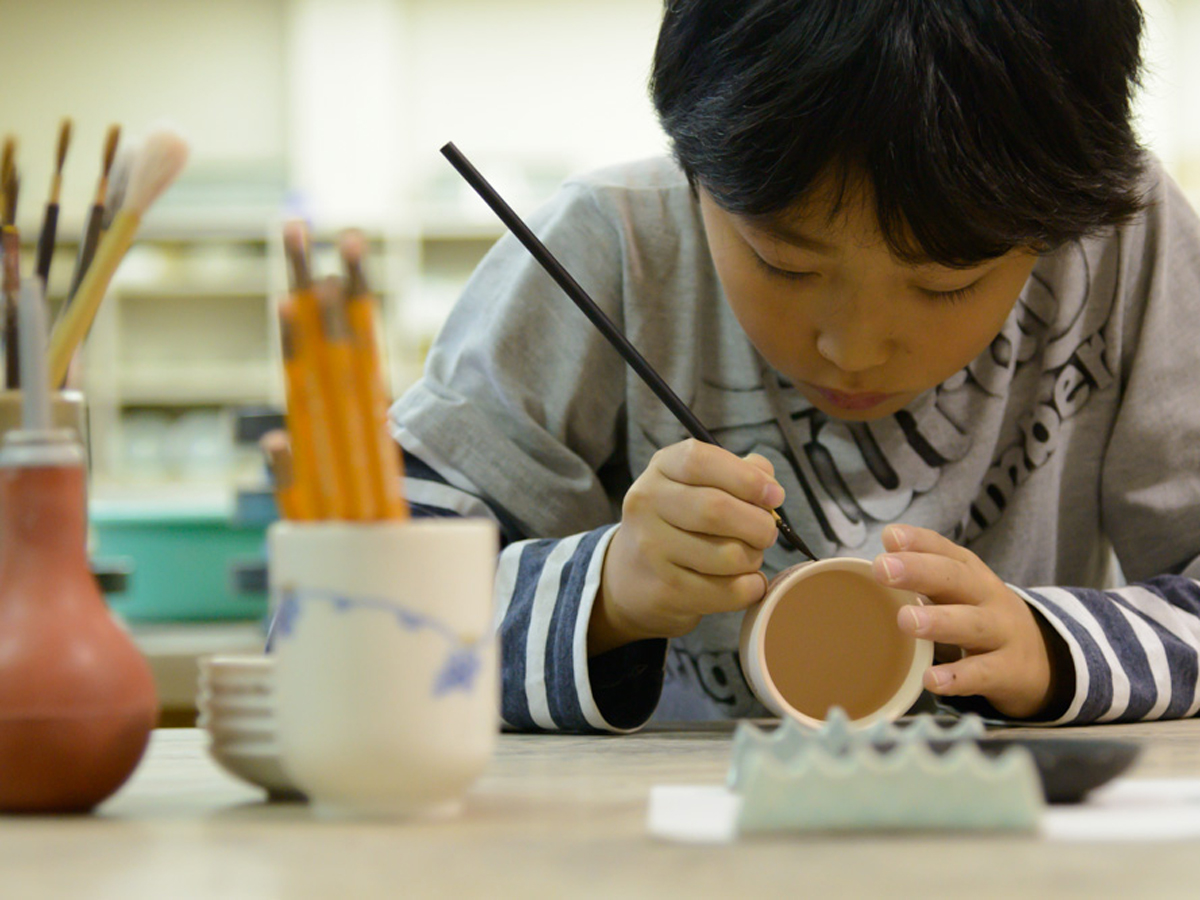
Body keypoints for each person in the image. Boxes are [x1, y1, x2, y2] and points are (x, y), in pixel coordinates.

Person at [390, 0, 1200, 732]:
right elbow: (339, 625)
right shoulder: (611, 248)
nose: (853, 349)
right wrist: (607, 596)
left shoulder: (1117, 239)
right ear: (693, 168)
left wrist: (1054, 650)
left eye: (944, 283)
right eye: (785, 264)